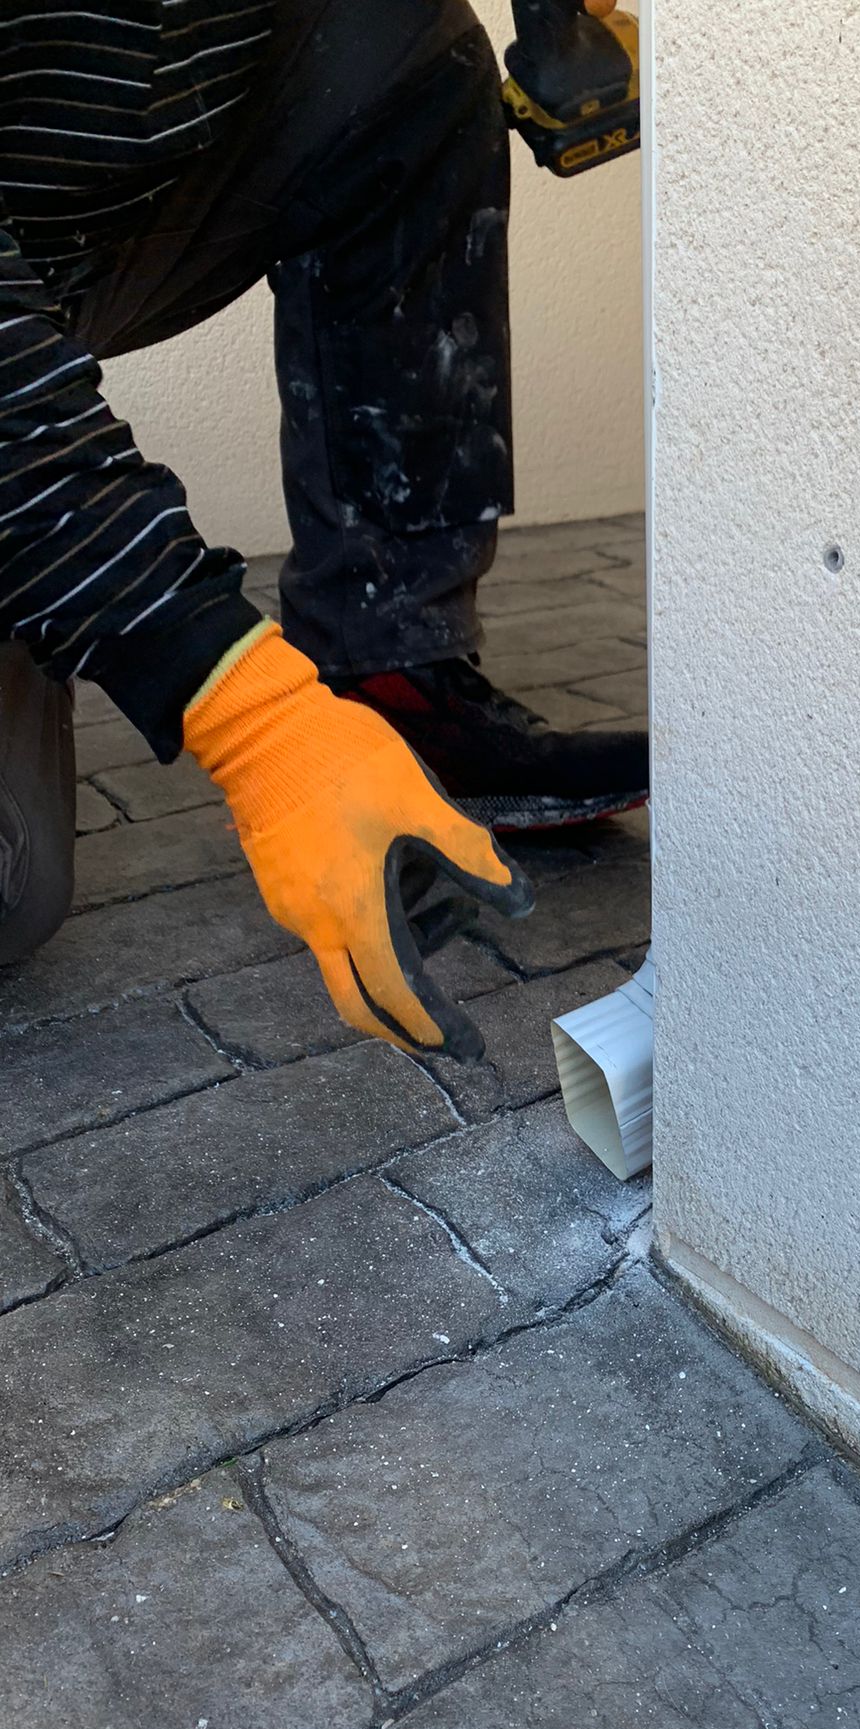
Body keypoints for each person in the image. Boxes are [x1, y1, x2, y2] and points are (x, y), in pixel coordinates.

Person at [0, 0, 647, 1062]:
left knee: (406, 46)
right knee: (10, 885)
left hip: (76, 199)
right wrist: (250, 717)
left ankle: (392, 660)